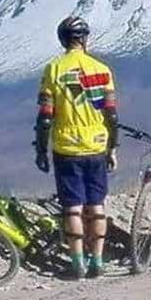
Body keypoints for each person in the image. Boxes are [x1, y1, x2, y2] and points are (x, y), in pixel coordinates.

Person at [34, 16, 119, 280]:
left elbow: (45, 116)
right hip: (97, 145)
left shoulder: (53, 70)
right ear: (85, 38)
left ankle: (77, 262)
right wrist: (113, 147)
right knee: (96, 205)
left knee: (72, 207)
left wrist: (40, 149)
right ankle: (97, 260)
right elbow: (112, 116)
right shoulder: (102, 70)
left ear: (62, 39)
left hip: (66, 147)